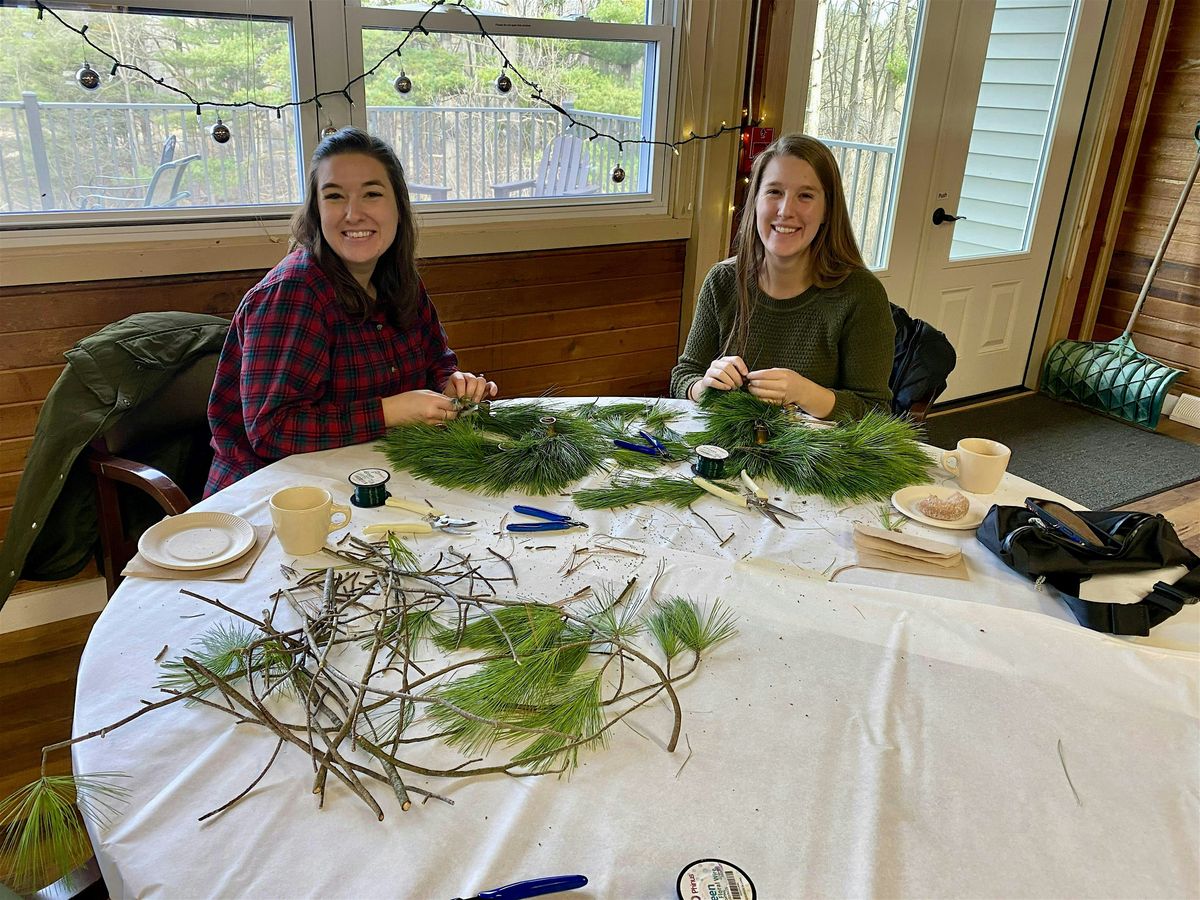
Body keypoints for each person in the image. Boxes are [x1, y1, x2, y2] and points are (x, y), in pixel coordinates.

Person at [205, 127, 496, 495]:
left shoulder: (398, 277)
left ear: (398, 206)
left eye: (372, 194)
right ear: (316, 209)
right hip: (271, 497)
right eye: (334, 196)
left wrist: (451, 385)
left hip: (372, 474)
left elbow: (437, 360)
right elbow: (270, 432)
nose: (352, 213)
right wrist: (389, 412)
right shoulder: (294, 292)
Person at [670, 133, 894, 421]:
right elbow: (683, 377)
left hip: (816, 460)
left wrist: (805, 392)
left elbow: (878, 414)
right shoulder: (722, 281)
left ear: (827, 209)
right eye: (774, 192)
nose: (786, 211)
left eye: (805, 196)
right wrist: (705, 385)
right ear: (755, 202)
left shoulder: (861, 295)